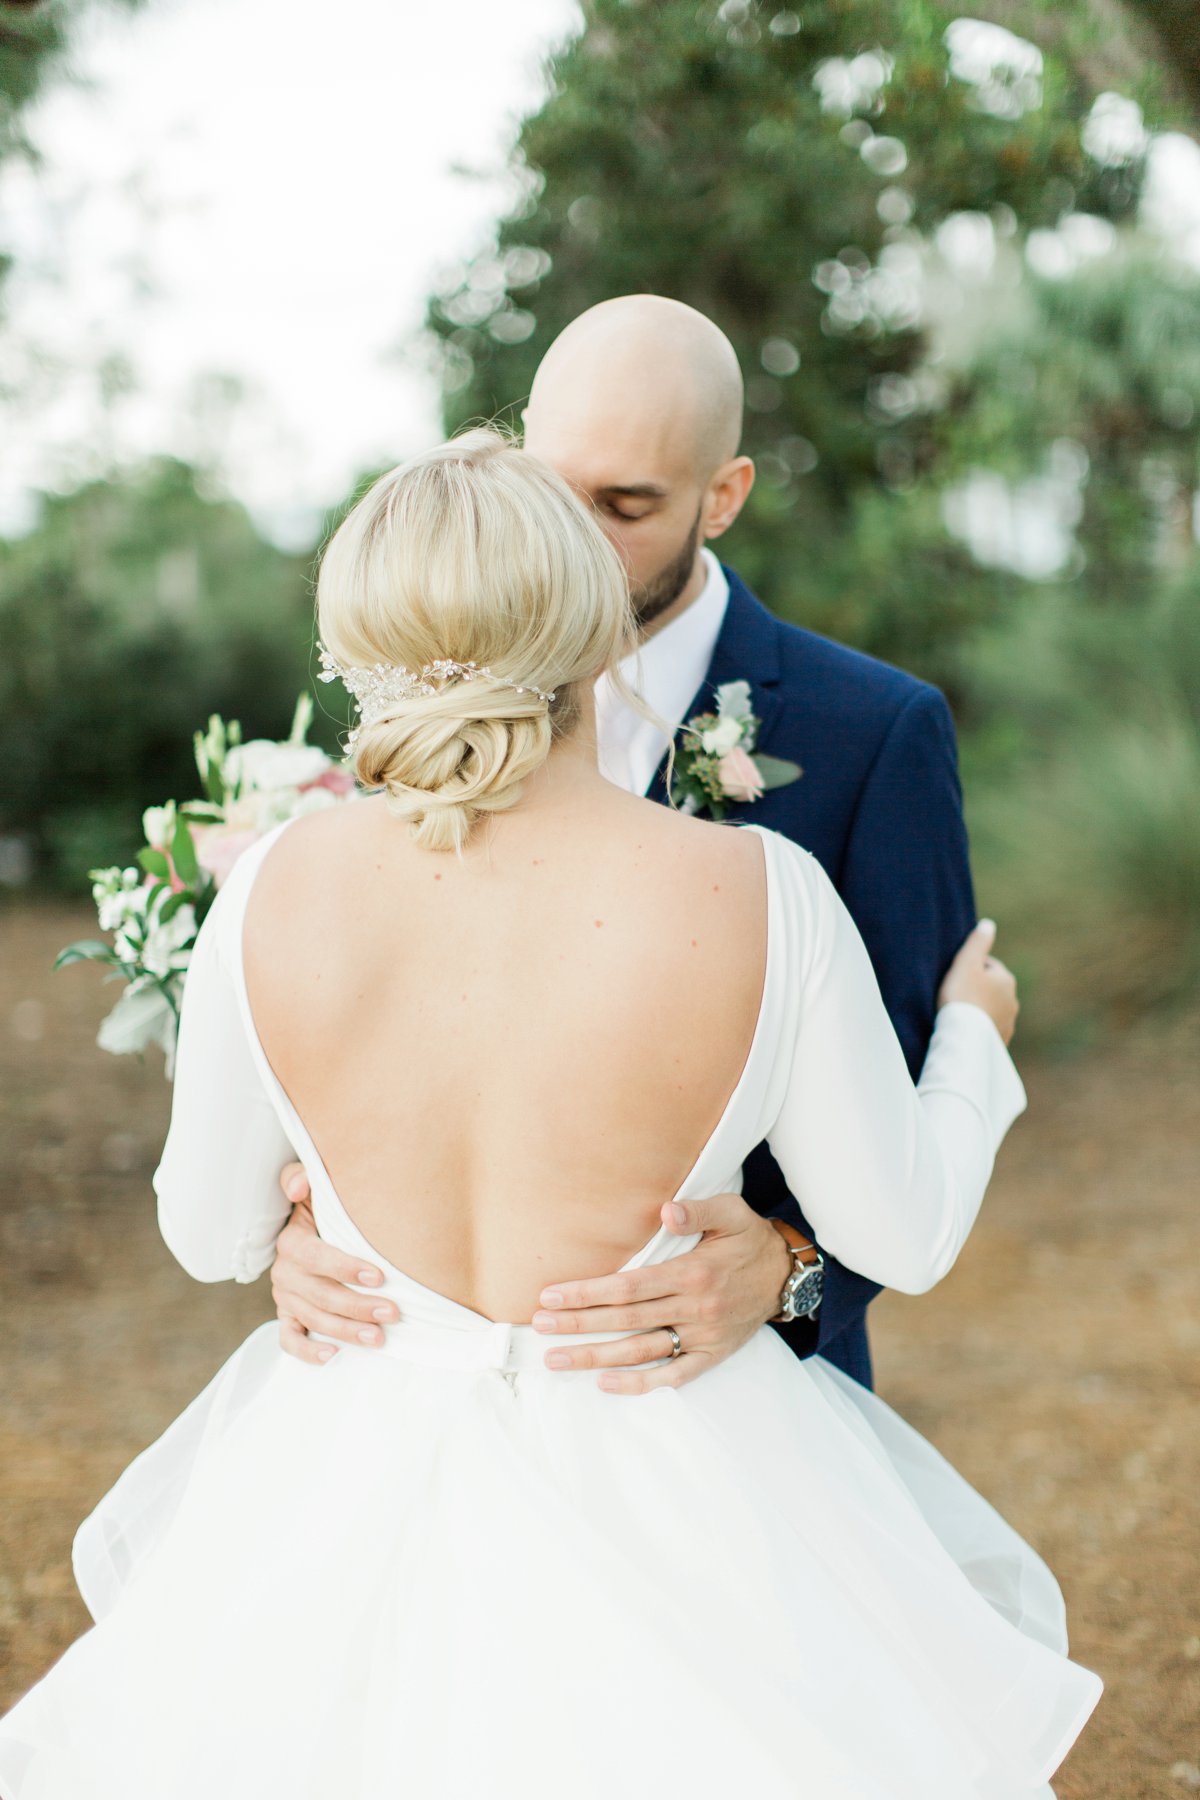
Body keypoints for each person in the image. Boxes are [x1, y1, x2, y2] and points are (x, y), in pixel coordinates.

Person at [0, 428, 1099, 1797]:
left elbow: (207, 1229)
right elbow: (905, 1231)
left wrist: (301, 1234)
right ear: (594, 630)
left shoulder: (270, 886)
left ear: (361, 640)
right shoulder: (756, 891)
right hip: (687, 1481)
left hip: (349, 1487)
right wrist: (974, 1046)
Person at [268, 296, 977, 1391]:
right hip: (424, 1390)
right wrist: (306, 1232)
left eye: (626, 506)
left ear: (723, 495)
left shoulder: (872, 733)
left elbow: (907, 1082)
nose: (574, 550)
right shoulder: (409, 709)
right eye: (554, 495)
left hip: (740, 1402)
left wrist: (789, 1274)